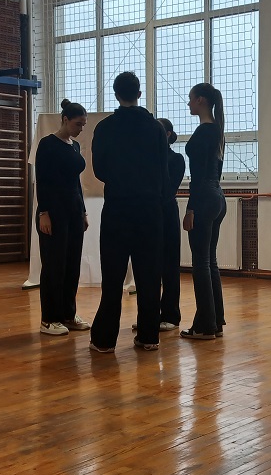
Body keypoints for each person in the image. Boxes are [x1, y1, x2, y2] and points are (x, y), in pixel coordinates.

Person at [89, 72, 170, 352]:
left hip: (118, 207)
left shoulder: (105, 127)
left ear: (116, 94)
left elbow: (99, 170)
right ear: (139, 93)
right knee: (149, 274)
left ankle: (104, 340)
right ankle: (149, 336)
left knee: (113, 275)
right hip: (150, 209)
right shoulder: (156, 128)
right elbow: (164, 172)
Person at [35, 99, 89, 336]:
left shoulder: (74, 146)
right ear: (65, 120)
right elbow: (42, 180)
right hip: (54, 211)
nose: (81, 129)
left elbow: (76, 182)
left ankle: (68, 314)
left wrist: (83, 211)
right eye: (78, 124)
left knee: (72, 265)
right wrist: (44, 213)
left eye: (83, 125)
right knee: (54, 265)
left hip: (73, 211)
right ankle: (49, 319)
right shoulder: (47, 144)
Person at [181, 83, 226, 341]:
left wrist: (191, 208)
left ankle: (205, 326)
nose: (188, 103)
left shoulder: (204, 131)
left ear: (200, 100)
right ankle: (214, 322)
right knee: (210, 262)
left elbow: (198, 177)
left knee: (200, 264)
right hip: (217, 196)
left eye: (190, 99)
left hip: (204, 198)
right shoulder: (217, 130)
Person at [155, 117, 186, 330]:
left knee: (169, 266)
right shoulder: (147, 157)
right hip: (149, 213)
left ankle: (171, 315)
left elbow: (168, 189)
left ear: (167, 135)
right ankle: (149, 315)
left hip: (166, 213)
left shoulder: (176, 159)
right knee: (149, 266)